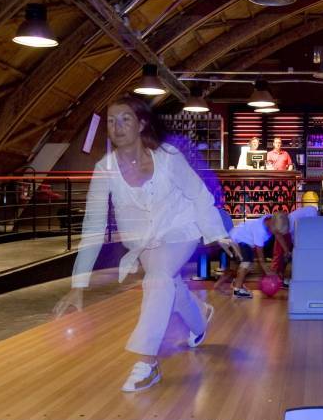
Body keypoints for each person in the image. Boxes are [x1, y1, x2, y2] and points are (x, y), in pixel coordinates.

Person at [54, 94, 237, 393]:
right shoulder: (104, 169)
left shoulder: (168, 158)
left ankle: (147, 363)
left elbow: (198, 195)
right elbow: (93, 225)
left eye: (125, 119)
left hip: (181, 229)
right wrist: (78, 283)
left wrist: (218, 234)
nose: (117, 127)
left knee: (157, 280)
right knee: (169, 284)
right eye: (112, 121)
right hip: (143, 242)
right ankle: (200, 317)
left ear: (141, 124)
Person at [218, 212, 289, 298]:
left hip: (243, 239)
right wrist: (266, 269)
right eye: (276, 231)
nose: (276, 234)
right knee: (246, 263)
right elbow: (260, 254)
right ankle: (237, 290)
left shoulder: (271, 220)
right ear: (272, 225)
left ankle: (236, 282)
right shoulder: (260, 231)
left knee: (249, 266)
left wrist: (286, 250)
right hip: (238, 239)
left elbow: (278, 235)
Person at [272, 205, 319, 285]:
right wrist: (289, 251)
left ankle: (300, 277)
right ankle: (292, 276)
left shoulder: (296, 220)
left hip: (312, 230)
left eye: (284, 233)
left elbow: (312, 210)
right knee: (294, 254)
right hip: (305, 234)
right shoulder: (289, 226)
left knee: (301, 255)